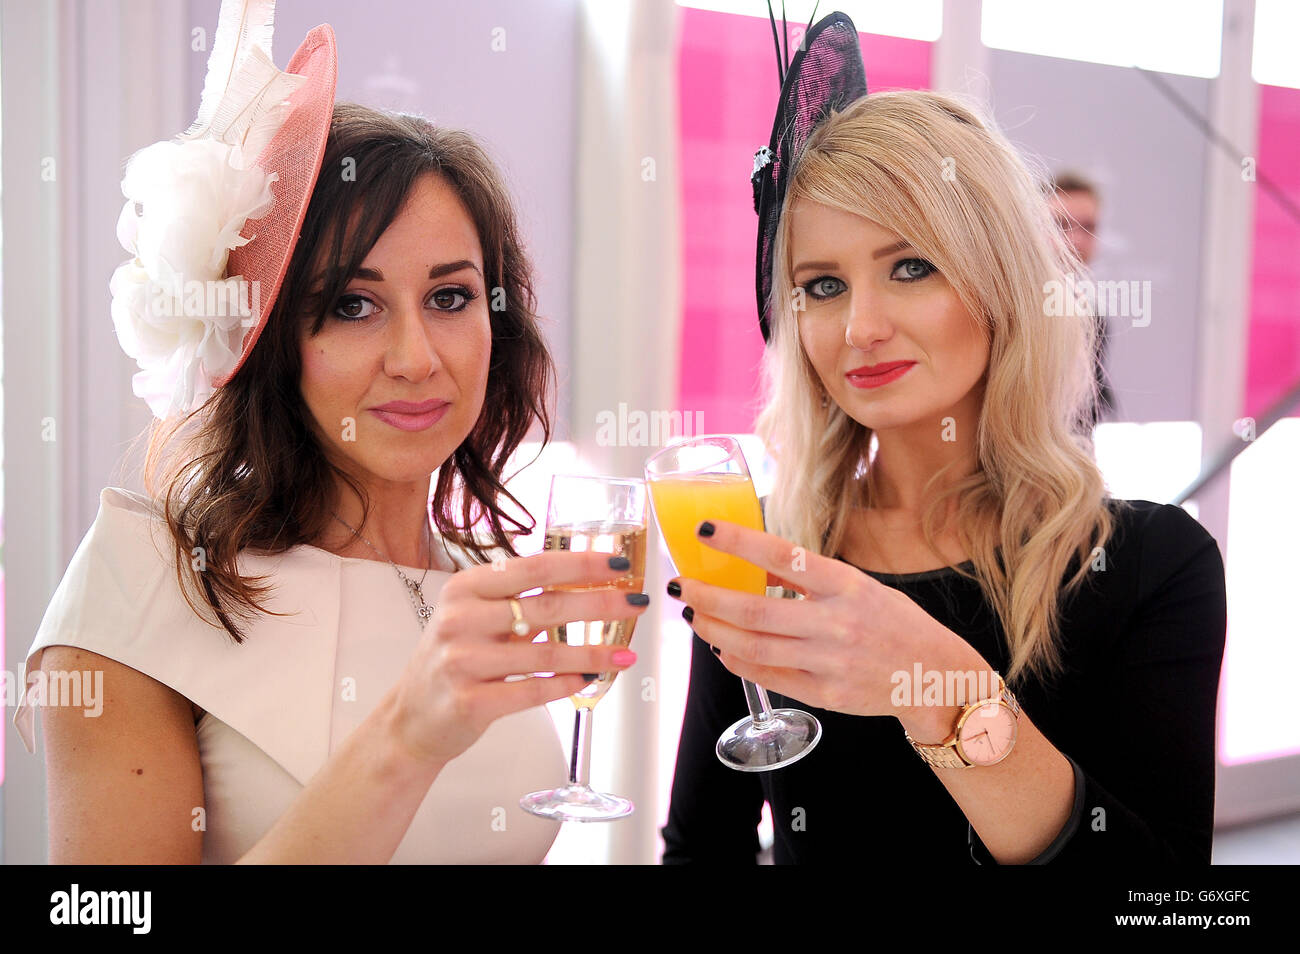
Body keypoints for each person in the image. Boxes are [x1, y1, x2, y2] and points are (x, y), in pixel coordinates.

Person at [13, 8, 646, 864]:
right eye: (352, 304)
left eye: (451, 297)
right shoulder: (141, 586)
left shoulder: (476, 589)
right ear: (273, 337)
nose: (416, 358)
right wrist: (404, 740)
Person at [661, 12, 1225, 865]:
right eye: (822, 284)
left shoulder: (1149, 564)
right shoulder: (772, 558)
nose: (861, 327)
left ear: (1000, 284)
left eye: (911, 267)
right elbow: (703, 848)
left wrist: (942, 688)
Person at [1050, 170, 1117, 425]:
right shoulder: (1009, 310)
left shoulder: (1094, 314)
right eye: (1061, 224)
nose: (1075, 240)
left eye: (1087, 227)